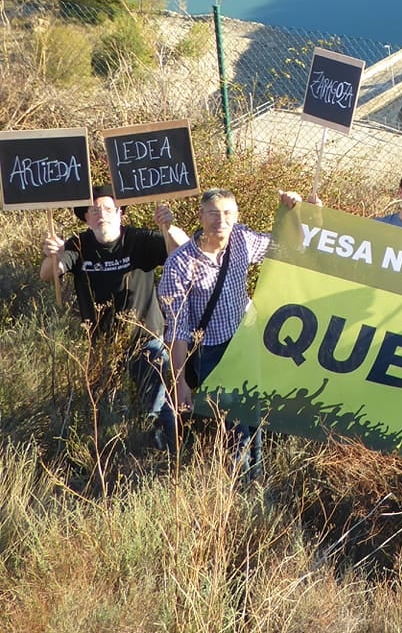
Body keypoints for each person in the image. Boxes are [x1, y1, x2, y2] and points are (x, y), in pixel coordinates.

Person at [157, 187, 304, 473]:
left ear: (236, 216)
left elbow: (290, 249)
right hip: (210, 352)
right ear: (200, 216)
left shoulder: (242, 240)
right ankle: (238, 480)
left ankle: (255, 476)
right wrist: (180, 382)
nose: (220, 221)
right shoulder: (180, 264)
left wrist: (297, 212)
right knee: (233, 421)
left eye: (227, 213)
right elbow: (177, 328)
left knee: (252, 414)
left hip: (246, 342)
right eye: (213, 213)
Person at [39, 185, 186, 337]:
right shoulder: (78, 245)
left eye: (108, 209)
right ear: (86, 218)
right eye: (94, 211)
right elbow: (47, 275)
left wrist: (169, 228)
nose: (102, 215)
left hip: (146, 340)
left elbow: (185, 251)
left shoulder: (139, 239)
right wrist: (54, 255)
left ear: (119, 213)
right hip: (100, 343)